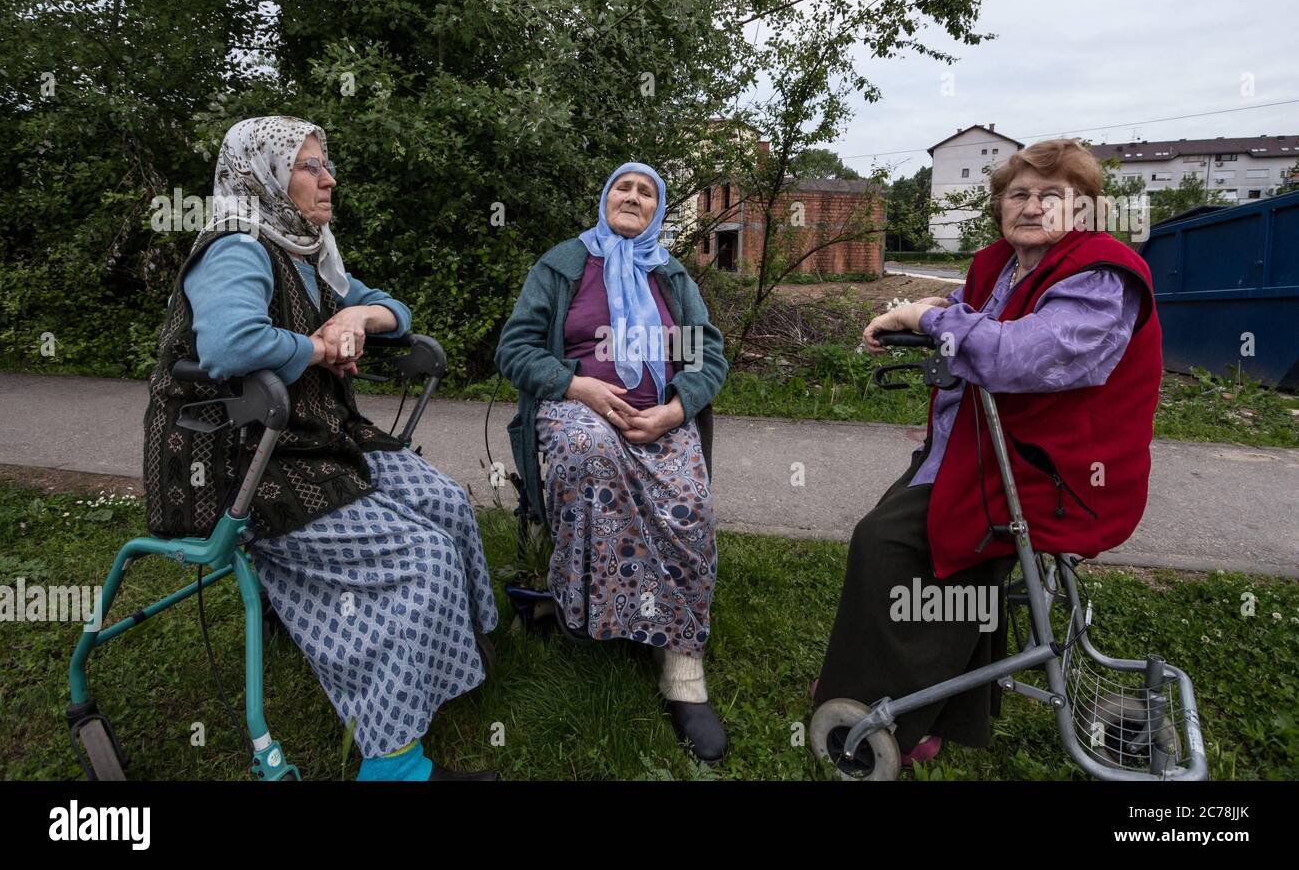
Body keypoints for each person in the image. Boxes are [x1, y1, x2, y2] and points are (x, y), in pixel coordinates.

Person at [143, 115, 498, 781]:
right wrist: (318, 347)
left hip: (311, 438)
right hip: (242, 460)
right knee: (418, 556)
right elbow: (228, 345)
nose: (329, 178)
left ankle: (458, 656)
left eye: (324, 164)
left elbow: (395, 309)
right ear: (267, 177)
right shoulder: (239, 247)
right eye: (310, 166)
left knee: (446, 503)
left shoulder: (309, 249)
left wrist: (360, 317)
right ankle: (393, 765)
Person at [814, 138, 1163, 769]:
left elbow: (1016, 354)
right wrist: (913, 314)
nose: (1030, 207)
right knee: (947, 552)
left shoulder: (1099, 276)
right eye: (1018, 194)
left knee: (888, 544)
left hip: (1053, 474)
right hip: (980, 451)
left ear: (1083, 211)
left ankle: (877, 709)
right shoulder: (1005, 265)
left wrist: (927, 319)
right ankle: (934, 715)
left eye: (1050, 196)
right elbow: (979, 316)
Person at [494, 162, 730, 761]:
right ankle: (591, 612)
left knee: (686, 504)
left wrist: (675, 413)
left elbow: (709, 358)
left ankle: (680, 665)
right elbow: (515, 349)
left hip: (658, 416)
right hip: (579, 407)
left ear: (658, 209)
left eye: (645, 191)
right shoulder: (564, 265)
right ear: (604, 199)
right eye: (622, 187)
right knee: (591, 454)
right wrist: (579, 387)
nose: (632, 197)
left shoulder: (670, 275)